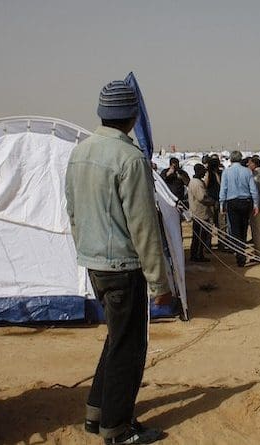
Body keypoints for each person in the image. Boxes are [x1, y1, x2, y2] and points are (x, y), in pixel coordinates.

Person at [65, 80, 170, 445]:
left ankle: (97, 413)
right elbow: (144, 228)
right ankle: (117, 429)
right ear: (132, 117)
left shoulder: (80, 153)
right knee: (129, 348)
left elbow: (74, 213)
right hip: (124, 269)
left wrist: (88, 252)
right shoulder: (129, 158)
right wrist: (159, 282)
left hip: (96, 265)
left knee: (116, 339)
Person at [219, 151, 259, 267]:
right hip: (245, 202)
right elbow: (253, 189)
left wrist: (222, 204)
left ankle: (239, 255)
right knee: (243, 228)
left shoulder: (226, 172)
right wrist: (256, 204)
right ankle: (241, 252)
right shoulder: (247, 171)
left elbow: (223, 189)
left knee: (235, 229)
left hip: (232, 202)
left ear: (230, 159)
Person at [188, 163, 214, 262]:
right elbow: (202, 197)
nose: (204, 173)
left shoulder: (197, 182)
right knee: (199, 236)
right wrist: (212, 202)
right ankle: (197, 255)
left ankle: (197, 254)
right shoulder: (197, 183)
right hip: (199, 214)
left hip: (200, 213)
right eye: (203, 171)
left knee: (200, 236)